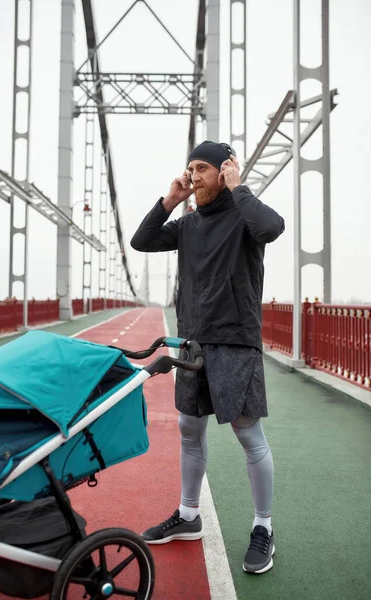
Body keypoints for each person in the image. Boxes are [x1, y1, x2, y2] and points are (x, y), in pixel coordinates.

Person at [130, 140, 285, 574]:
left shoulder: (245, 217)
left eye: (201, 169)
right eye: (190, 168)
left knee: (247, 433)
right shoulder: (188, 225)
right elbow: (141, 241)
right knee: (187, 428)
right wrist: (169, 201)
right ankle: (188, 514)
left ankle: (264, 527)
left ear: (224, 172)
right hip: (193, 343)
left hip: (235, 340)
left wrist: (241, 189)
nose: (193, 175)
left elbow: (272, 227)